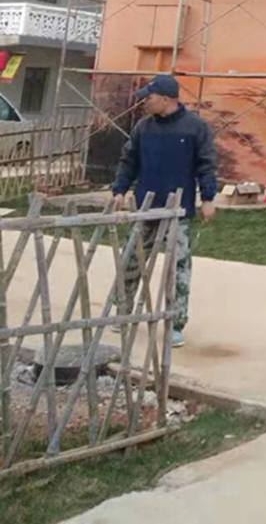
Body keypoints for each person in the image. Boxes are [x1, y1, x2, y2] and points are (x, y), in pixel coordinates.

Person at [111, 74, 217, 347]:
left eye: (149, 97)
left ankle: (175, 323)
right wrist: (119, 190)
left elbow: (206, 164)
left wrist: (207, 198)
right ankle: (122, 311)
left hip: (178, 211)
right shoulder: (143, 128)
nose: (145, 102)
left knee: (178, 268)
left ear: (166, 99)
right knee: (131, 260)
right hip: (145, 207)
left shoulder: (195, 128)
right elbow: (129, 160)